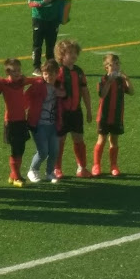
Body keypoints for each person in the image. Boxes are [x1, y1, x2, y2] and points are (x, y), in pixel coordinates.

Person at [0, 58, 37, 187]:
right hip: (11, 121)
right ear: (7, 72)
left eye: (19, 70)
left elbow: (36, 80)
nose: (17, 73)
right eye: (14, 71)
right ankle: (17, 177)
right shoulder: (4, 83)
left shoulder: (21, 82)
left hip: (22, 120)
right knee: (15, 149)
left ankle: (13, 175)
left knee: (21, 148)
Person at [54, 39, 93, 178]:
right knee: (60, 140)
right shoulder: (57, 72)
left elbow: (85, 91)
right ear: (61, 55)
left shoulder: (79, 71)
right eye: (70, 53)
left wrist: (89, 110)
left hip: (76, 112)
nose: (73, 55)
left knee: (79, 139)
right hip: (61, 113)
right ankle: (57, 168)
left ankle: (81, 167)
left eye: (75, 53)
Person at [92, 53, 135, 177]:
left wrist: (127, 79)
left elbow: (131, 92)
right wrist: (109, 82)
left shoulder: (121, 80)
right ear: (106, 68)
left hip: (117, 115)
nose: (115, 67)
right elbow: (102, 94)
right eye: (112, 65)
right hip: (104, 116)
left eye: (117, 64)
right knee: (102, 139)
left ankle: (113, 166)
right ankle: (96, 165)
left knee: (114, 140)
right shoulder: (103, 79)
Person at [25, 59, 64, 184]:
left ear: (57, 73)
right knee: (43, 151)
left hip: (53, 124)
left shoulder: (58, 85)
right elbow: (25, 98)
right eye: (46, 74)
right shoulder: (38, 85)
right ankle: (33, 170)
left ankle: (49, 172)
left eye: (51, 73)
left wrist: (62, 93)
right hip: (38, 123)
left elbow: (65, 94)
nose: (48, 76)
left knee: (54, 151)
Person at [27, 0, 64, 76]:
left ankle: (51, 67)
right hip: (39, 18)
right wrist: (43, 2)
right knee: (37, 44)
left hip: (52, 18)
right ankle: (36, 67)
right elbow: (30, 3)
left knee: (51, 44)